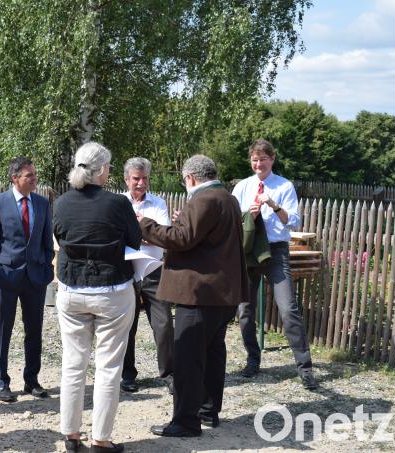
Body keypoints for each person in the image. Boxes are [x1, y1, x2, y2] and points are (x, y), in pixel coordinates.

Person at [139, 155, 248, 438]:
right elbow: (200, 236)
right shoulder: (227, 197)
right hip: (222, 293)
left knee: (188, 359)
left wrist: (145, 224)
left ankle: (186, 421)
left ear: (190, 178)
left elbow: (181, 239)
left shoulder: (203, 199)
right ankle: (208, 411)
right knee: (213, 354)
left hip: (199, 293)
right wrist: (180, 224)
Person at [53, 142, 142, 453]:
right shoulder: (117, 204)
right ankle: (101, 440)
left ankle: (71, 436)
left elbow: (60, 237)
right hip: (112, 292)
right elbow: (136, 239)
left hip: (72, 291)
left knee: (73, 364)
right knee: (108, 368)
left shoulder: (62, 203)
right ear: (103, 169)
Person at [231, 138, 318, 390]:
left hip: (276, 250)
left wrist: (273, 204)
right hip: (249, 250)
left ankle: (305, 368)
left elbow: (293, 222)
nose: (259, 164)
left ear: (272, 159)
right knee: (244, 310)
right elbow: (232, 219)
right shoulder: (243, 187)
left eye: (263, 159)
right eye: (255, 160)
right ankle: (252, 359)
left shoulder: (284, 186)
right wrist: (249, 214)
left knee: (288, 308)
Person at [0, 156, 55, 402]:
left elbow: (46, 241)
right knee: (3, 330)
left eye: (35, 174)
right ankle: (1, 382)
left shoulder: (43, 204)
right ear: (15, 178)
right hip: (7, 277)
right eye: (29, 176)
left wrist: (47, 269)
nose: (35, 179)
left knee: (34, 331)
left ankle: (31, 381)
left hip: (35, 278)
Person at [120, 157, 174, 394]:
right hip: (126, 271)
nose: (141, 183)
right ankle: (127, 375)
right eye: (136, 179)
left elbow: (164, 234)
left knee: (163, 325)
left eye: (144, 178)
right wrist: (146, 232)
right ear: (126, 180)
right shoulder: (119, 203)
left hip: (154, 270)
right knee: (126, 326)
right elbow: (118, 235)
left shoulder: (158, 202)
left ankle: (170, 373)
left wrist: (139, 232)